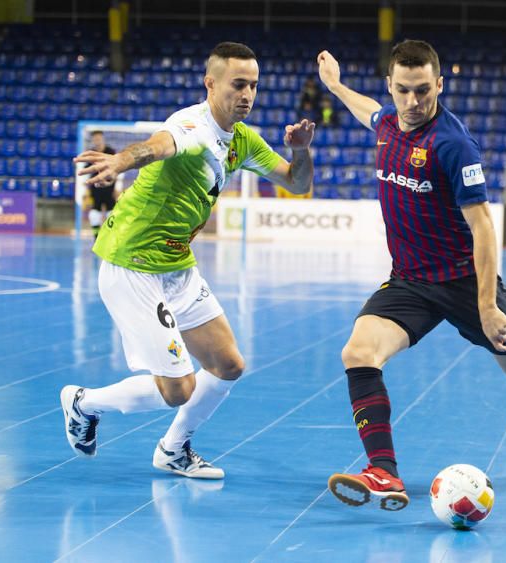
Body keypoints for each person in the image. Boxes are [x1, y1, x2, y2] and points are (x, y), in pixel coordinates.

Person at [316, 40, 506, 511]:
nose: (413, 102)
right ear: (391, 86)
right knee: (358, 352)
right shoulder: (388, 124)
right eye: (403, 91)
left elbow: (483, 227)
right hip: (409, 281)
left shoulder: (452, 144)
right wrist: (337, 86)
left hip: (466, 282)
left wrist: (487, 306)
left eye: (423, 90)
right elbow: (370, 112)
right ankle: (383, 471)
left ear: (439, 85)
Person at [60, 42, 315, 479]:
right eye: (238, 84)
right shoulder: (191, 125)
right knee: (178, 389)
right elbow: (160, 145)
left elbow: (296, 182)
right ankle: (83, 403)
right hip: (133, 264)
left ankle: (173, 450)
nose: (248, 95)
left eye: (253, 85)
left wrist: (302, 150)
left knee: (228, 365)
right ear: (210, 84)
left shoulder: (243, 140)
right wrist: (121, 159)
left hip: (177, 266)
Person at [86, 131, 118, 239]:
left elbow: (118, 169)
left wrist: (117, 187)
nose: (97, 141)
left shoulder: (111, 152)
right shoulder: (91, 154)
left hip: (110, 188)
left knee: (112, 212)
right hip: (96, 189)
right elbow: (86, 172)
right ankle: (96, 237)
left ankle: (111, 238)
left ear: (102, 139)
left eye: (99, 138)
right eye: (95, 139)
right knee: (94, 213)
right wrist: (85, 190)